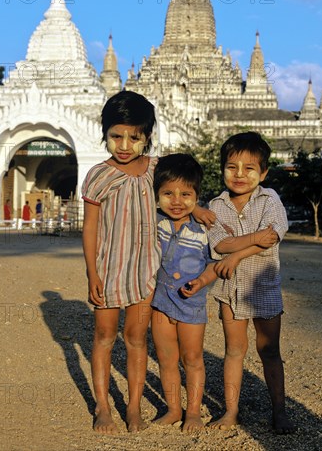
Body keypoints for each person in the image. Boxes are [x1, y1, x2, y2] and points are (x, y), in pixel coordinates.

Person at [81, 91, 215, 434]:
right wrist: (92, 272)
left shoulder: (156, 170)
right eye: (116, 136)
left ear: (148, 137)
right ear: (105, 134)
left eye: (134, 137)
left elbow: (178, 191)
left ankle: (134, 407)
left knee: (137, 338)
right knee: (104, 336)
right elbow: (91, 228)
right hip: (109, 269)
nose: (124, 144)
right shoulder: (98, 176)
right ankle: (102, 408)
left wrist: (197, 208)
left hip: (145, 271)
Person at [207, 131, 295, 434]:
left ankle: (279, 411)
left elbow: (273, 237)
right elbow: (220, 246)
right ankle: (231, 410)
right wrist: (252, 240)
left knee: (269, 350)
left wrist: (236, 255)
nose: (239, 175)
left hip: (264, 287)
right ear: (222, 169)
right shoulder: (215, 206)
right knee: (234, 350)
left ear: (264, 172)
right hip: (229, 291)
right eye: (232, 167)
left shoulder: (270, 199)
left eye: (249, 168)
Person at [151, 153, 218, 433]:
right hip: (160, 303)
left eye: (186, 194)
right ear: (156, 194)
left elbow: (216, 263)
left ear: (197, 195)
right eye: (168, 193)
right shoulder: (155, 221)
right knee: (166, 360)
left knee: (192, 359)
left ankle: (192, 412)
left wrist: (201, 282)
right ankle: (173, 408)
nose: (176, 201)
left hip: (192, 306)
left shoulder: (204, 229)